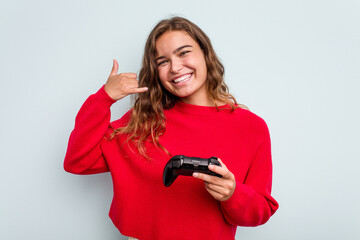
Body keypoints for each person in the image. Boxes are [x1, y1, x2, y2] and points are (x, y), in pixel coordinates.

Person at [64, 16, 279, 240]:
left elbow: (261, 210)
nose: (175, 67)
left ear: (206, 54)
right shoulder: (142, 121)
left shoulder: (251, 128)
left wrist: (232, 194)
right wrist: (103, 98)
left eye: (184, 52)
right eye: (162, 61)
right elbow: (78, 161)